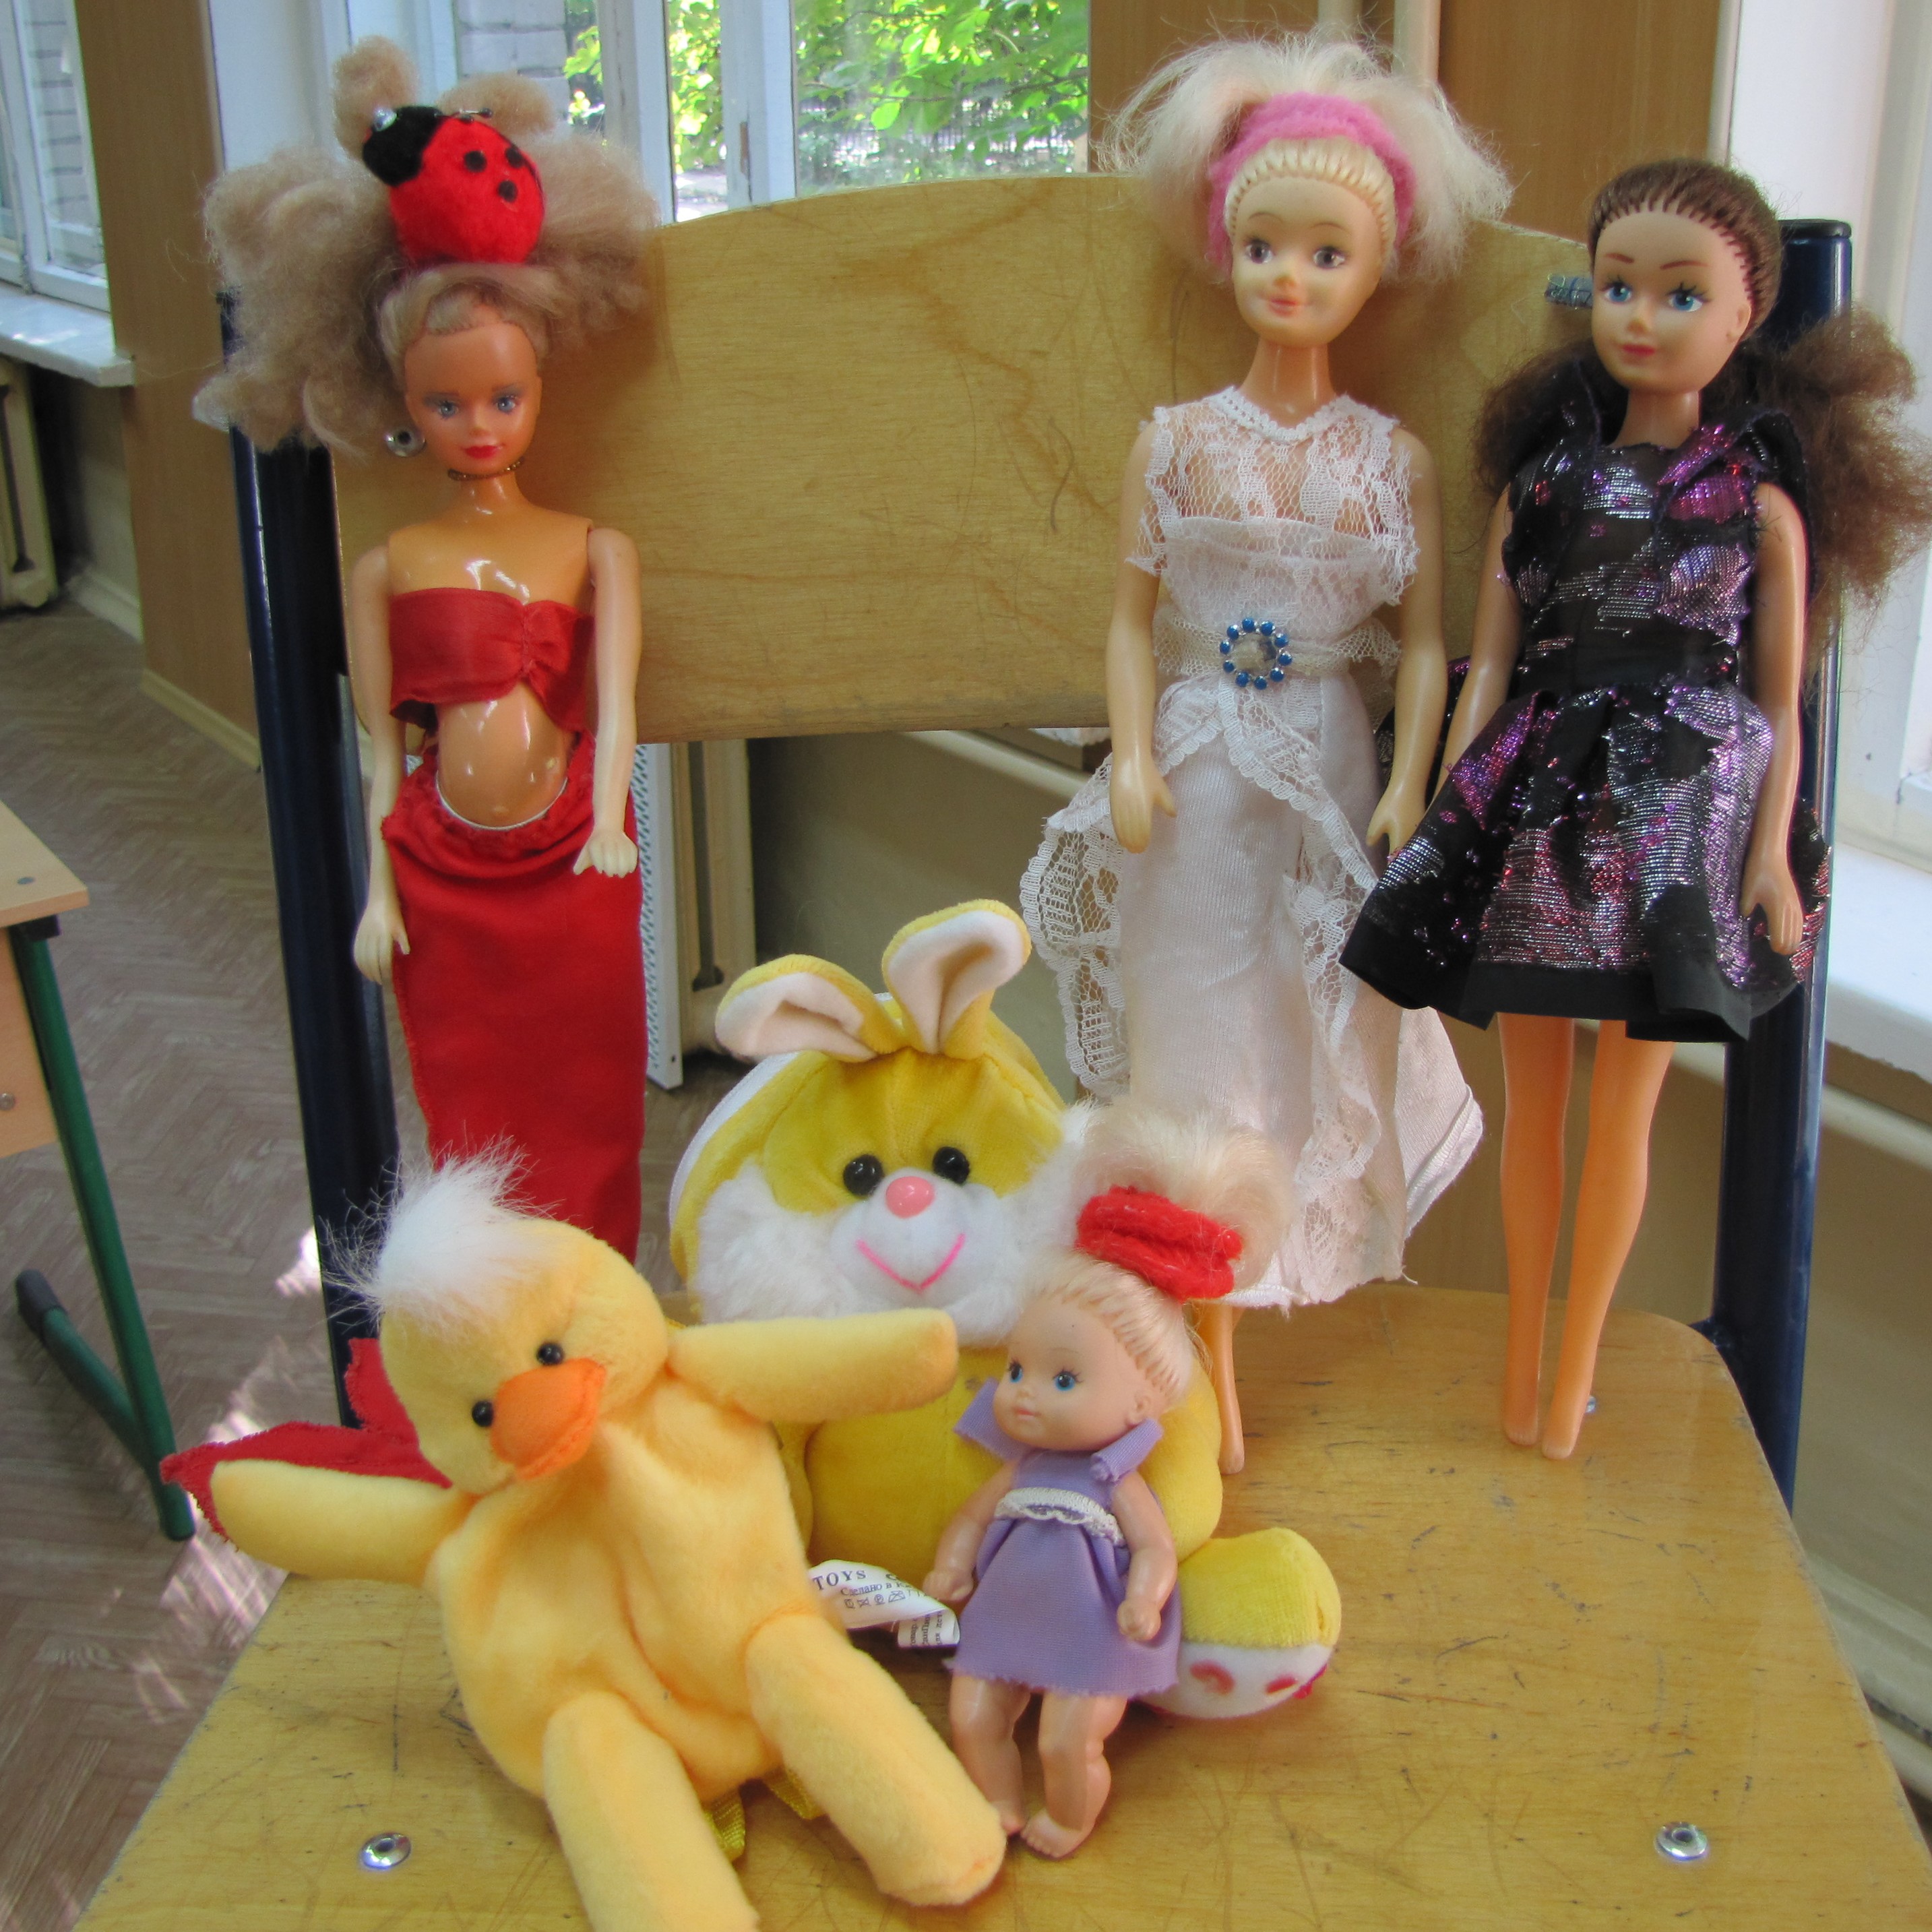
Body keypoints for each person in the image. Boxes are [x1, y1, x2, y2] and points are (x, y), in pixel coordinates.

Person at [1341, 159, 1932, 1456]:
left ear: (1743, 318)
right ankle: (1519, 1365)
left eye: (1680, 293)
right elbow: (1490, 669)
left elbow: (1779, 704)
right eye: (1616, 286)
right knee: (1532, 1112)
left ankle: (1571, 1380)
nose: (1641, 317)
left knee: (1626, 1113)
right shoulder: (1544, 486)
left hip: (1680, 826)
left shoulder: (1755, 505)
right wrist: (1442, 800)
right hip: (1542, 807)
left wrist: (1768, 853)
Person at [1020, 31, 1502, 1467]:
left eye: (1325, 254)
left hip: (1328, 781)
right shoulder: (1173, 444)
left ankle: (1254, 1301)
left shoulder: (1388, 461)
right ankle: (1196, 1356)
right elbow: (1128, 620)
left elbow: (1420, 643)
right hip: (1193, 779)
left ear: (1375, 267)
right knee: (1192, 1041)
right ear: (1222, 247)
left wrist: (1409, 779)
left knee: (1307, 1029)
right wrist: (1125, 751)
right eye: (1261, 247)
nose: (1288, 279)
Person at [199, 38, 658, 1256]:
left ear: (541, 385)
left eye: (503, 398)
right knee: (468, 1116)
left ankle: (598, 1297)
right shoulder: (387, 566)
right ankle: (483, 1307)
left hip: (576, 859)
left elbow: (614, 705)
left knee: (591, 1104)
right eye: (445, 403)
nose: (478, 426)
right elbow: (381, 748)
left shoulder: (595, 547)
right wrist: (378, 886)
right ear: (401, 404)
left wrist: (609, 816)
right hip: (442, 879)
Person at [924, 1102, 1284, 1856]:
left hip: (1091, 1627)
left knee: (1065, 1738)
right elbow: (970, 1518)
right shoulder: (1022, 1465)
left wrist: (1142, 1598)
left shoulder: (1112, 1474)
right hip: (1005, 1616)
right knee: (970, 1714)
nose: (1022, 1393)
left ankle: (1067, 1816)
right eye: (1017, 1369)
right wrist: (951, 1563)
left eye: (1062, 1378)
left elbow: (1152, 1546)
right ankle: (995, 1800)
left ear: (1141, 1401)